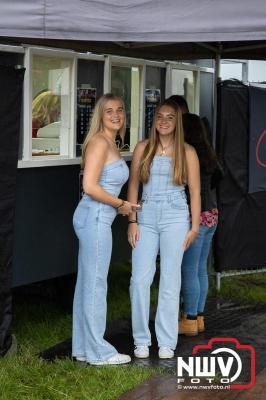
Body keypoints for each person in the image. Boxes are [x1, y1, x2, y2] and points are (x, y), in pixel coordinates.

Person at [127, 100, 200, 359]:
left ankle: (166, 341)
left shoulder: (187, 151)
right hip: (146, 215)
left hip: (175, 216)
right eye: (160, 116)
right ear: (154, 120)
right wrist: (132, 221)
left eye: (170, 117)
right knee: (139, 280)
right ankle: (141, 340)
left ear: (176, 122)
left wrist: (194, 226)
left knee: (170, 279)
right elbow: (133, 186)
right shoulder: (142, 148)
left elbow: (195, 191)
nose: (164, 121)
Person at [72, 93, 139, 365]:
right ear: (99, 115)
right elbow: (89, 186)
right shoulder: (100, 142)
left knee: (87, 284)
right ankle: (99, 353)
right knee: (96, 285)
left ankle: (83, 348)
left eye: (120, 110)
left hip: (95, 216)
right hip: (96, 216)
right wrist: (121, 203)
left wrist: (121, 206)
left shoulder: (111, 142)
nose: (115, 115)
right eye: (109, 110)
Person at [179, 113, 219, 336]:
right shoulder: (209, 154)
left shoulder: (188, 154)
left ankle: (189, 320)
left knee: (189, 269)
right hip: (212, 214)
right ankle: (199, 317)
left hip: (197, 216)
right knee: (201, 268)